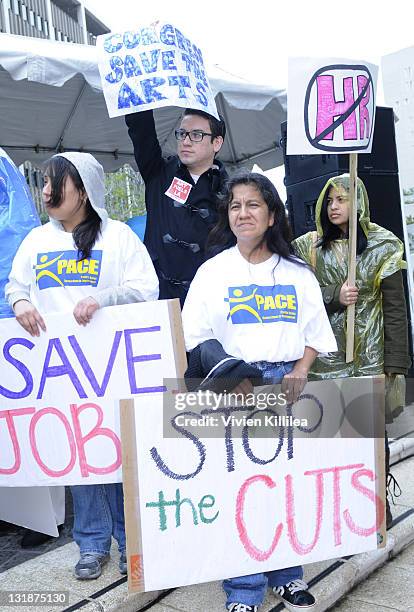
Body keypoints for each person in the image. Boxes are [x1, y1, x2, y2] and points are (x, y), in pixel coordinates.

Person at [182, 172, 337, 612]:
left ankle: (288, 577)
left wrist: (302, 368)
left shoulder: (297, 273)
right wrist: (231, 376)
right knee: (242, 490)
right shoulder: (212, 273)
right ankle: (244, 590)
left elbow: (315, 331)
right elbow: (194, 335)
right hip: (234, 388)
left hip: (286, 388)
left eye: (253, 204)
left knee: (284, 486)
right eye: (235, 206)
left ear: (271, 215)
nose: (243, 213)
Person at [5, 152, 159, 579]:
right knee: (77, 454)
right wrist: (20, 303)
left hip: (109, 368)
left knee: (114, 452)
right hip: (61, 373)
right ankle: (91, 544)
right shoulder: (37, 240)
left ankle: (132, 542)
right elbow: (17, 287)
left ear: (85, 190)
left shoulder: (120, 236)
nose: (49, 192)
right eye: (47, 183)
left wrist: (102, 298)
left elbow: (146, 287)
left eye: (58, 183)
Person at [294, 174, 411, 527]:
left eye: (342, 200)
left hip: (369, 359)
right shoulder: (308, 248)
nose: (334, 207)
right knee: (330, 438)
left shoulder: (382, 244)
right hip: (324, 362)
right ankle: (336, 510)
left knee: (372, 435)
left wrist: (396, 362)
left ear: (358, 202)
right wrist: (333, 295)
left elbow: (395, 308)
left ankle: (376, 508)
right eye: (329, 200)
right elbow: (296, 299)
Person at [125, 107, 227, 304]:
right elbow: (141, 128)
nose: (186, 141)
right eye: (182, 134)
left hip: (206, 302)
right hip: (157, 299)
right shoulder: (159, 173)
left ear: (217, 142)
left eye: (196, 135)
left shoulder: (230, 191)